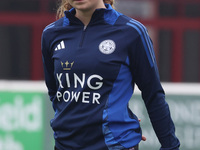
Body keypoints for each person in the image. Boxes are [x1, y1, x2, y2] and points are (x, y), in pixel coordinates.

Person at [41, 0, 180, 150]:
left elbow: (153, 94)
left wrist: (170, 146)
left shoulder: (132, 32)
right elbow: (57, 94)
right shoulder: (51, 33)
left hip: (115, 146)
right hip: (65, 146)